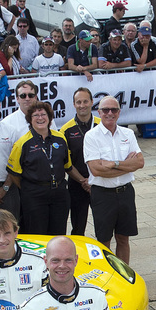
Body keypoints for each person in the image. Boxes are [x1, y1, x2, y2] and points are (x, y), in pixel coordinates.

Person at [83, 96, 142, 262]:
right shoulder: (91, 136)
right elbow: (96, 170)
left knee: (124, 238)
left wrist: (112, 164)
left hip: (125, 192)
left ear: (119, 112)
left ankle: (124, 276)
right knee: (103, 241)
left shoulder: (128, 134)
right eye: (106, 110)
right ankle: (107, 276)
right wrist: (126, 165)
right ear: (99, 112)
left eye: (114, 110)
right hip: (103, 195)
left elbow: (140, 162)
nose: (110, 113)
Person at [9, 101, 72, 235]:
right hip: (34, 195)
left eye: (43, 114)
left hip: (59, 193)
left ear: (49, 118)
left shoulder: (60, 138)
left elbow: (67, 165)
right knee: (37, 234)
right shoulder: (22, 143)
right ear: (29, 120)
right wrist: (29, 188)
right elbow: (14, 173)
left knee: (58, 234)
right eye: (35, 115)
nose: (40, 118)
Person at [59, 90, 96, 235]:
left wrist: (94, 180)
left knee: (103, 226)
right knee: (78, 227)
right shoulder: (66, 130)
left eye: (85, 101)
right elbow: (65, 161)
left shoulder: (101, 124)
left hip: (99, 182)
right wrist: (83, 181)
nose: (82, 105)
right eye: (79, 102)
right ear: (74, 104)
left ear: (92, 102)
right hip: (77, 183)